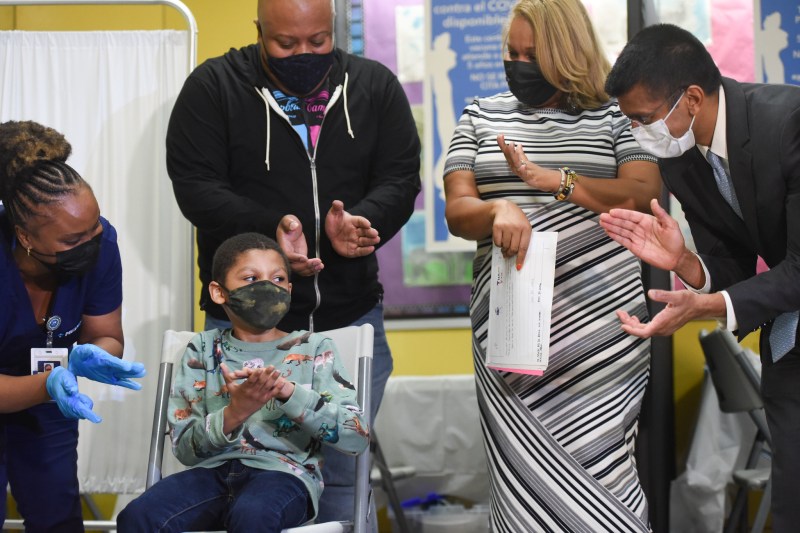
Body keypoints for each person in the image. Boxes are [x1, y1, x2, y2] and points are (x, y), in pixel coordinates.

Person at [165, 0, 419, 522]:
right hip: (243, 328)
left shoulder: (373, 86)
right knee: (239, 473)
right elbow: (196, 186)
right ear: (259, 30)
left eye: (318, 41)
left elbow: (400, 177)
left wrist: (364, 220)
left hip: (349, 318)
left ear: (334, 30)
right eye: (286, 44)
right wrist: (272, 234)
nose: (304, 53)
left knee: (346, 474)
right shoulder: (213, 87)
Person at [442, 0, 662, 530]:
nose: (517, 64)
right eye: (510, 53)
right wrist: (498, 206)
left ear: (566, 54)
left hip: (603, 331)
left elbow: (642, 193)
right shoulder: (479, 114)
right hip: (511, 325)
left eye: (531, 54)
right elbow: (457, 211)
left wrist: (559, 181)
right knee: (521, 479)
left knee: (606, 469)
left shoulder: (614, 116)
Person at [601, 23, 800, 532]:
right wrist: (687, 264)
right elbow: (731, 264)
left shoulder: (789, 122)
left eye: (643, 119)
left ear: (691, 98)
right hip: (789, 343)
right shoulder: (682, 162)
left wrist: (706, 308)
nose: (639, 134)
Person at [117, 232, 369, 532]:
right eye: (251, 278)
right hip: (211, 473)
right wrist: (236, 411)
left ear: (289, 289)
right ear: (219, 292)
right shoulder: (201, 350)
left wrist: (287, 392)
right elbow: (185, 449)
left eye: (277, 279)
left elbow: (357, 438)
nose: (266, 287)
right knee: (138, 517)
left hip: (284, 475)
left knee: (252, 516)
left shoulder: (314, 348)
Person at [0, 120, 146, 531]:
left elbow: (106, 333)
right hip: (41, 386)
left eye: (94, 227)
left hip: (49, 400)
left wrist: (95, 355)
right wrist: (50, 382)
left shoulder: (101, 247)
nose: (91, 242)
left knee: (57, 516)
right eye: (70, 240)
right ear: (24, 236)